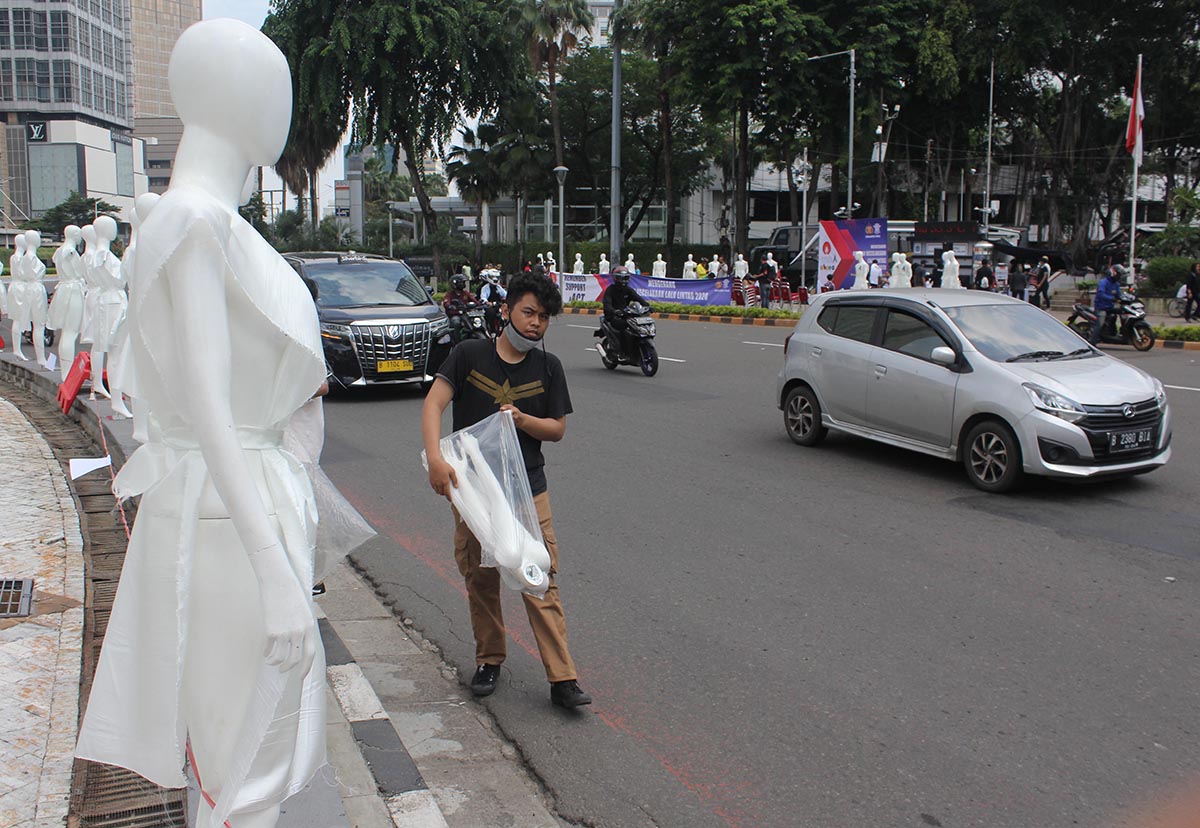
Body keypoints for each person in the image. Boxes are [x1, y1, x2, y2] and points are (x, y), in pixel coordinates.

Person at [421, 273, 591, 709]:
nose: (535, 324)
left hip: (528, 490)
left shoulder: (548, 367)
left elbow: (557, 429)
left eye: (544, 317)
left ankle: (562, 678)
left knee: (539, 576)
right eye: (528, 312)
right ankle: (489, 659)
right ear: (507, 310)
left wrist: (522, 421)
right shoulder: (469, 354)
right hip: (474, 493)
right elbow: (434, 404)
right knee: (481, 577)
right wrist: (436, 460)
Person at [599, 265, 648, 351]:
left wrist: (647, 306)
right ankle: (622, 349)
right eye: (622, 278)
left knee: (637, 326)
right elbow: (607, 304)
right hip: (613, 317)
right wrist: (614, 311)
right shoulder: (610, 290)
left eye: (626, 277)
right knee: (624, 326)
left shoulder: (628, 290)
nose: (624, 280)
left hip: (626, 315)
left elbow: (638, 298)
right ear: (616, 278)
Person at [1090, 265, 1122, 344]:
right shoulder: (1103, 282)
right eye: (1118, 274)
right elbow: (1101, 294)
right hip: (1101, 307)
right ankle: (1092, 342)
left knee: (1121, 312)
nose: (1119, 276)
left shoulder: (1116, 284)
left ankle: (1114, 332)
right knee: (1100, 323)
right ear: (1113, 273)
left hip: (1110, 307)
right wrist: (1112, 298)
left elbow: (1119, 295)